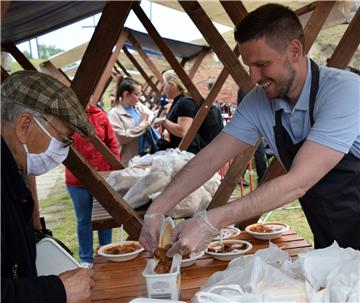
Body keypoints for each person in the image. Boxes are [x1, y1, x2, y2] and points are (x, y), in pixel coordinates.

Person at [139, 3, 360, 256]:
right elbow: (209, 159)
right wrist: (157, 208)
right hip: (330, 240)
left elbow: (298, 182)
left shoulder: (344, 92)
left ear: (295, 51)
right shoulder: (259, 102)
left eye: (262, 64)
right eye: (249, 66)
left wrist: (211, 220)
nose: (253, 78)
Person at [1, 70, 95, 302]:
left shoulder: (10, 173)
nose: (63, 149)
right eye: (63, 139)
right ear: (24, 126)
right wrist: (58, 290)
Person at [65, 95, 119, 268]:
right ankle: (86, 258)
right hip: (77, 179)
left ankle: (106, 250)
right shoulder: (66, 118)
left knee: (105, 217)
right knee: (84, 219)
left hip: (102, 176)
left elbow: (112, 144)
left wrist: (113, 171)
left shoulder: (101, 116)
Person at [108, 76, 157, 166]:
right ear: (126, 94)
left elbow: (151, 115)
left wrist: (145, 123)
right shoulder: (114, 114)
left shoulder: (138, 106)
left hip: (145, 156)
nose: (140, 98)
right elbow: (122, 137)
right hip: (129, 161)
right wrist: (143, 125)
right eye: (137, 94)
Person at [153, 70, 201, 154]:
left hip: (188, 153)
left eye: (164, 85)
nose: (163, 89)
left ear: (172, 85)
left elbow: (183, 131)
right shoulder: (179, 101)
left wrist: (164, 121)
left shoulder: (184, 102)